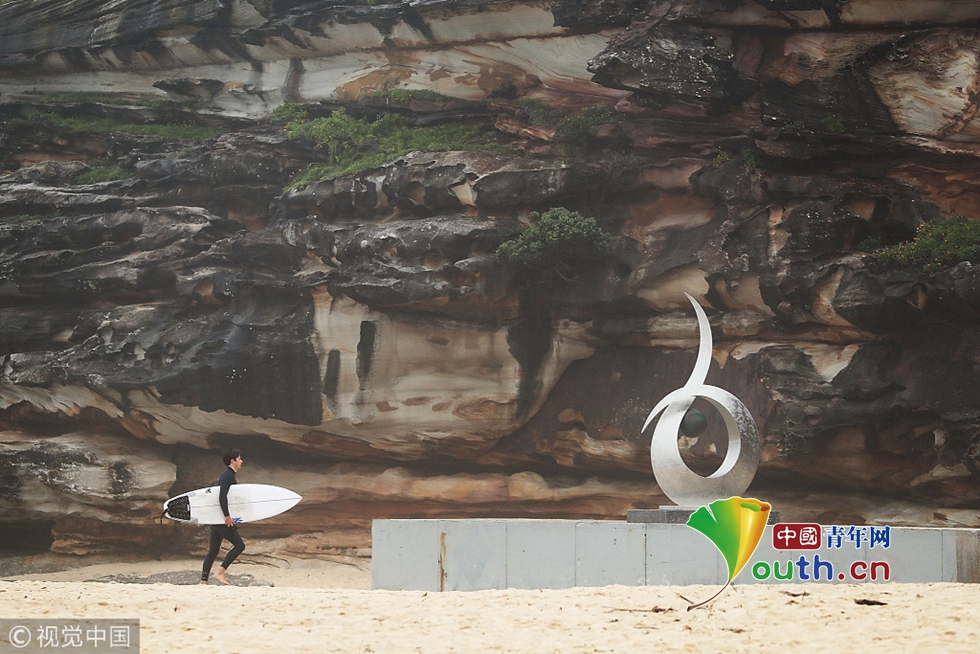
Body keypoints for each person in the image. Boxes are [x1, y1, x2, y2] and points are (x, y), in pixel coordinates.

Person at [201, 448, 245, 585]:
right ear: (233, 461)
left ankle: (203, 581)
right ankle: (220, 572)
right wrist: (227, 516)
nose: (241, 461)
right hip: (221, 519)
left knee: (213, 551)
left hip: (216, 518)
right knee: (239, 546)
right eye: (239, 458)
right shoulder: (227, 476)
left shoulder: (228, 475)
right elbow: (222, 496)